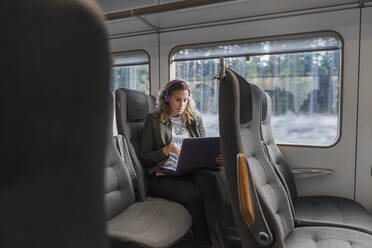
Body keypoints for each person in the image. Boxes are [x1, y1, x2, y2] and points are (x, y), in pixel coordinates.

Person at [140, 79, 229, 248]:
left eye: (185, 99)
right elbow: (144, 157)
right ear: (167, 99)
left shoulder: (195, 119)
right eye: (177, 99)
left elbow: (203, 146)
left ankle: (221, 241)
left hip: (190, 169)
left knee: (214, 181)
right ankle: (205, 243)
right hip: (164, 174)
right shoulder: (153, 120)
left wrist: (214, 158)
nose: (182, 104)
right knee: (194, 195)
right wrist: (166, 150)